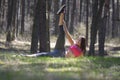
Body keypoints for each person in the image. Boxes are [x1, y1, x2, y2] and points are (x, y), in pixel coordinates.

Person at [22, 4, 86, 58]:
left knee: (45, 54)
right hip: (61, 50)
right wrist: (65, 25)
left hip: (60, 55)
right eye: (78, 39)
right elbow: (67, 34)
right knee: (62, 34)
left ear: (82, 43)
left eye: (79, 40)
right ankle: (62, 13)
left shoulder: (81, 53)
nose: (78, 40)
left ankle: (29, 56)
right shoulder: (74, 43)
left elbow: (78, 59)